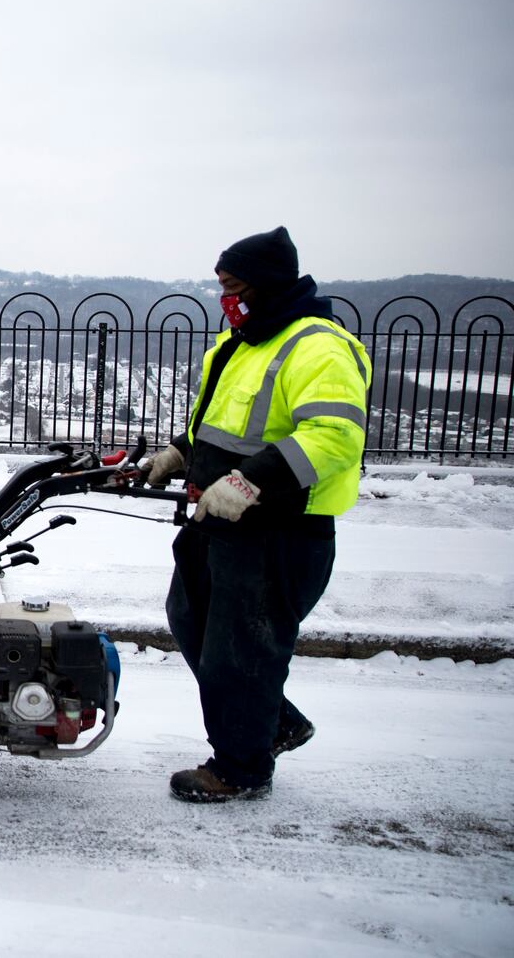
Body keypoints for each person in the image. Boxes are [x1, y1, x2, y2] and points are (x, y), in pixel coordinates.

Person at [144, 226, 370, 803]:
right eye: (222, 286)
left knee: (240, 650)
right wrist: (180, 452)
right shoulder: (241, 343)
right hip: (217, 522)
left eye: (235, 286)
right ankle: (273, 724)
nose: (227, 298)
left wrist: (250, 482)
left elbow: (335, 435)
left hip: (278, 530)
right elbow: (224, 427)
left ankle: (240, 768)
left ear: (267, 284)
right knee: (189, 621)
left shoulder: (316, 346)